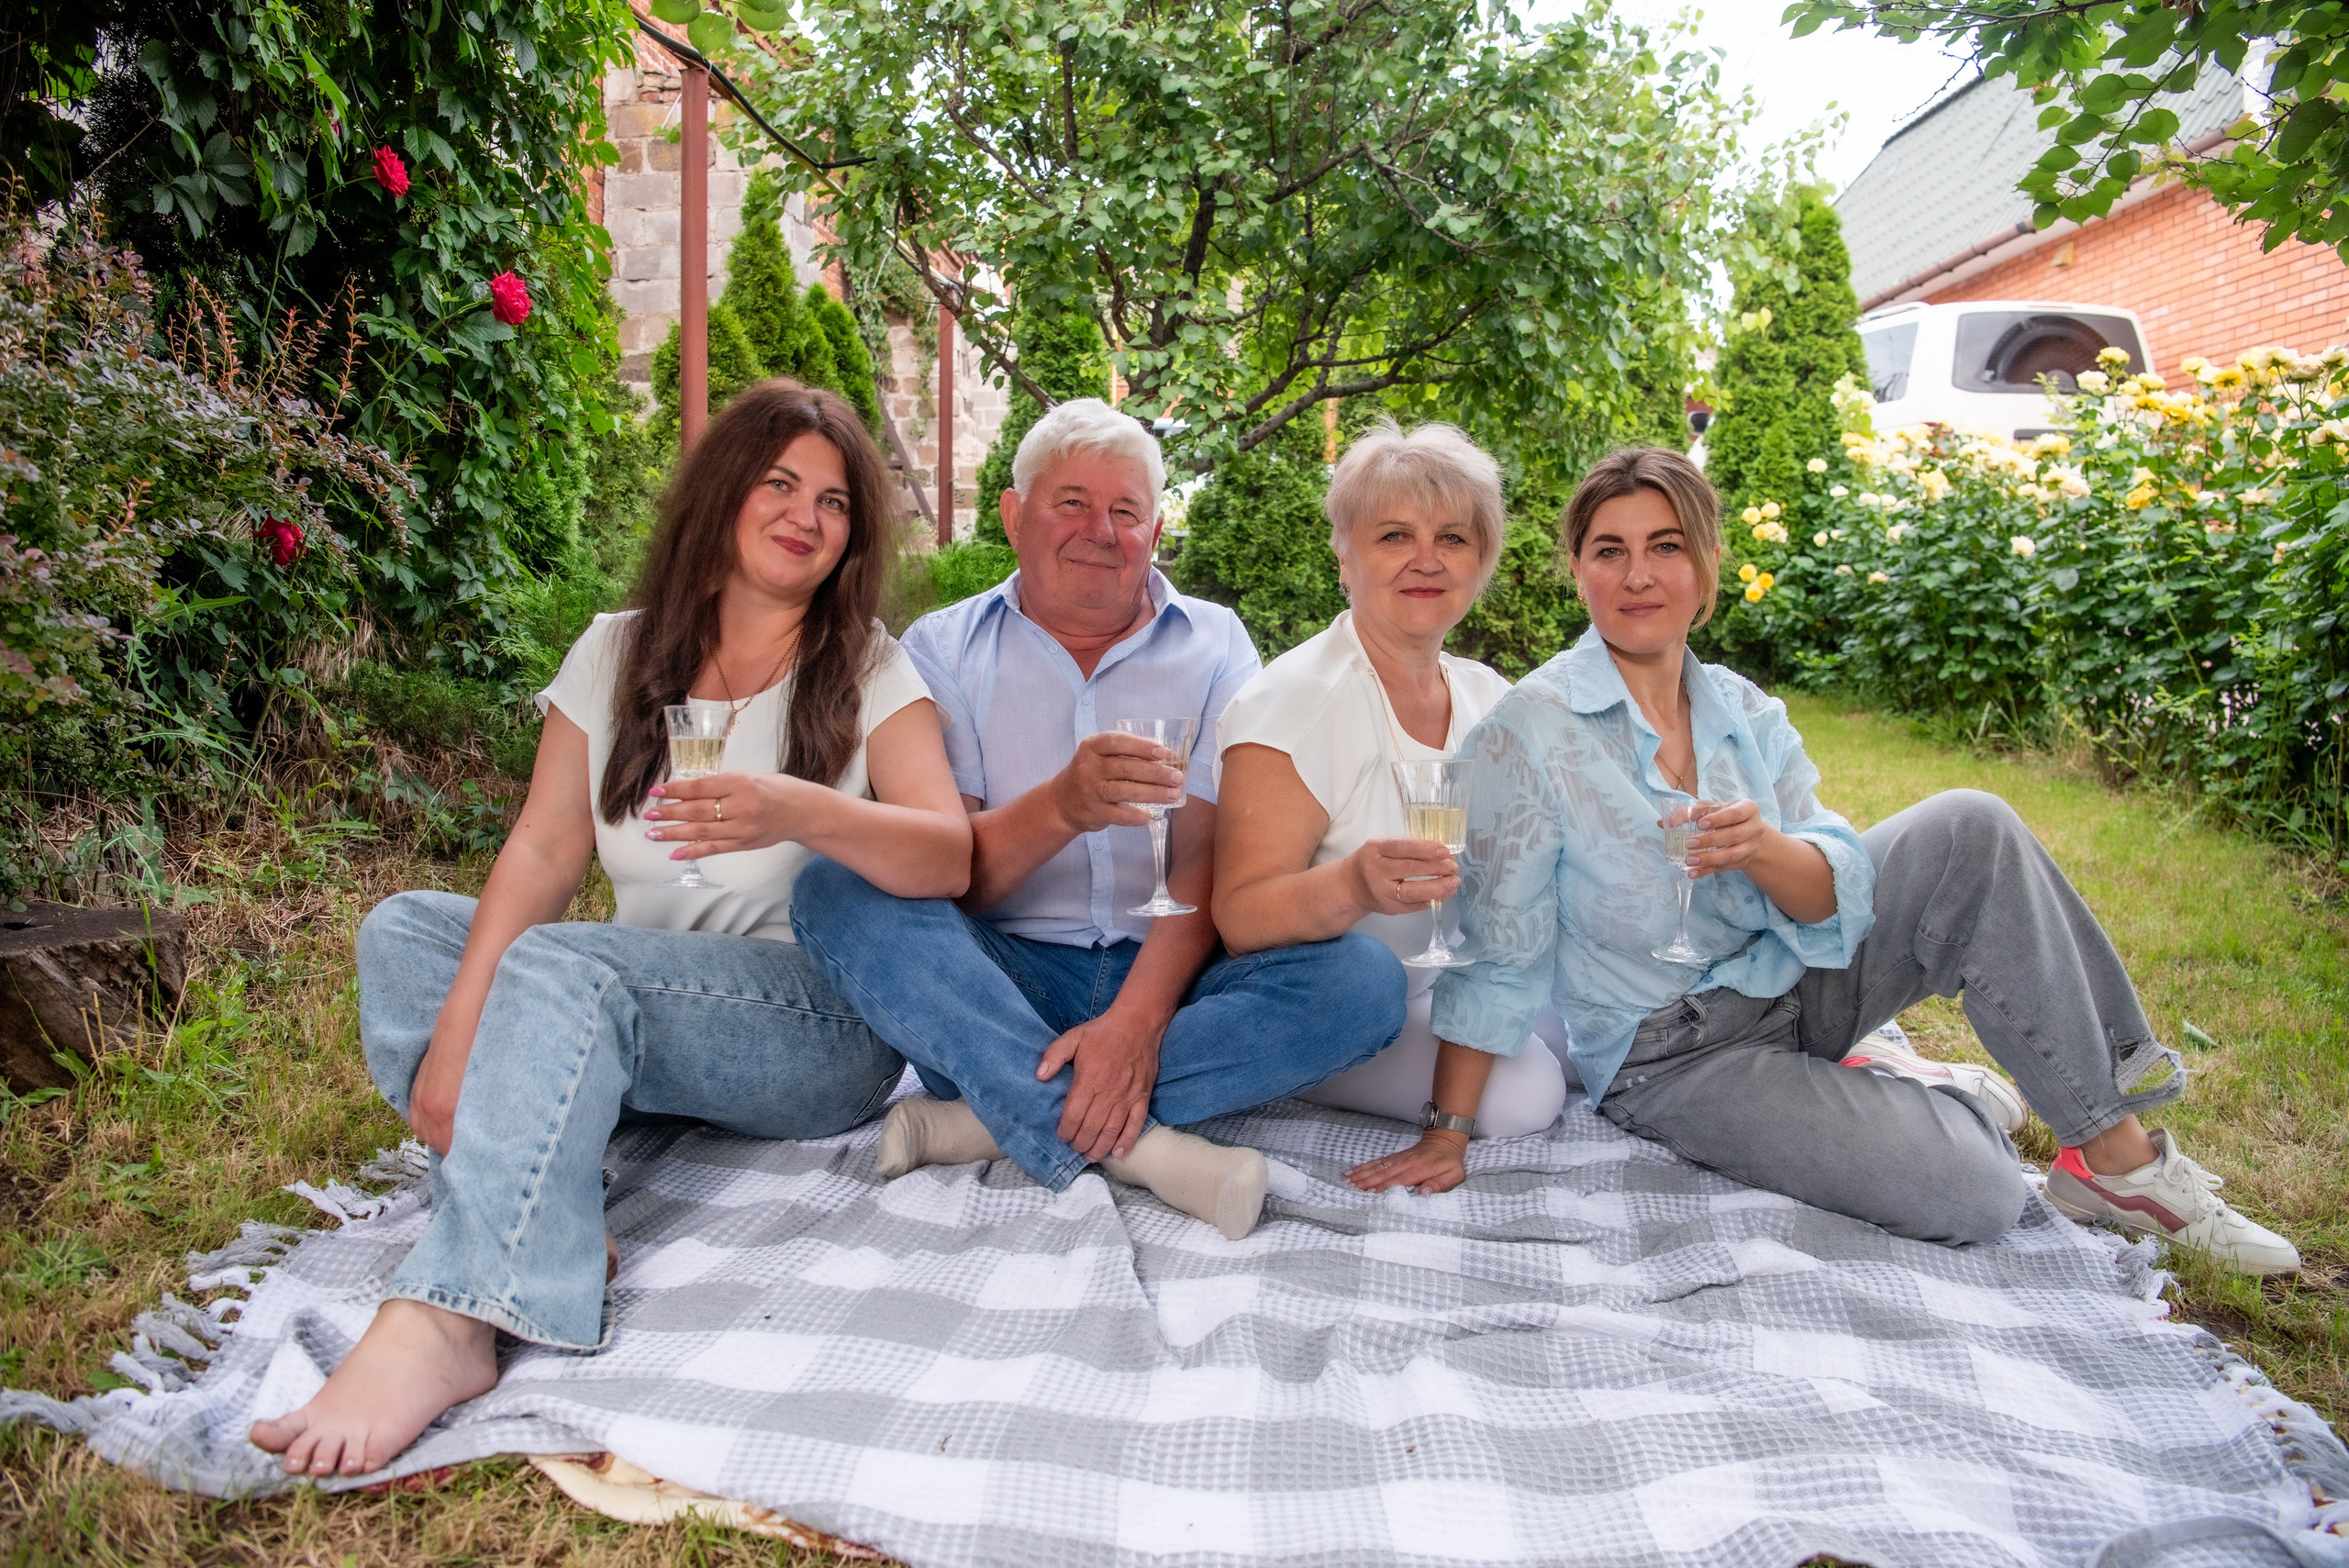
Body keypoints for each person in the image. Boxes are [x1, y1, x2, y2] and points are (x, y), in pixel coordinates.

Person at [250, 382, 975, 1479]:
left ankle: (456, 1313)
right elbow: (545, 849)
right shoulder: (616, 651)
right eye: (779, 483)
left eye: (833, 501)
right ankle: (550, 1208)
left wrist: (795, 807)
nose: (806, 515)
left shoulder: (869, 665)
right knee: (409, 934)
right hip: (648, 1005)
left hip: (814, 1027)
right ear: (720, 494)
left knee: (563, 966)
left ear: (854, 534)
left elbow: (948, 854)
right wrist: (460, 1025)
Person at [1347, 446, 2299, 1278]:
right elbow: (1500, 950)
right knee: (1978, 1193)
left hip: (1795, 978)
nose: (1638, 575)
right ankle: (1909, 1093)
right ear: (1578, 572)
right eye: (1610, 550)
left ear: (1706, 566)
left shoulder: (1742, 709)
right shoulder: (1530, 731)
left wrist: (1764, 849)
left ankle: (2117, 1161)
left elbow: (1831, 897)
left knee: (1971, 824)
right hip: (1675, 1055)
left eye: (1666, 546)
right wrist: (1449, 1130)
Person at [793, 398, 1404, 1240]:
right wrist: (1062, 807)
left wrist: (1138, 1022)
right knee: (835, 887)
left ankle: (994, 1111)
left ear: (1156, 532)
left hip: (1176, 978)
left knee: (1364, 983)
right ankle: (1139, 1144)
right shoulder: (942, 647)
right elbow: (950, 875)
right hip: (1002, 976)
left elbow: (1208, 853)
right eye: (1072, 502)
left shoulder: (1217, 642)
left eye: (1126, 511)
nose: (1101, 531)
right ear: (1014, 515)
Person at [1213, 420, 1570, 1148]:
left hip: (1444, 979)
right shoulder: (1295, 702)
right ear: (1345, 557)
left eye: (1453, 538)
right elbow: (1239, 917)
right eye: (1394, 536)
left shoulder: (1488, 697)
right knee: (1529, 1093)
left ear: (1481, 561)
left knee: (1609, 1025)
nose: (1426, 560)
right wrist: (1353, 884)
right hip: (1334, 1003)